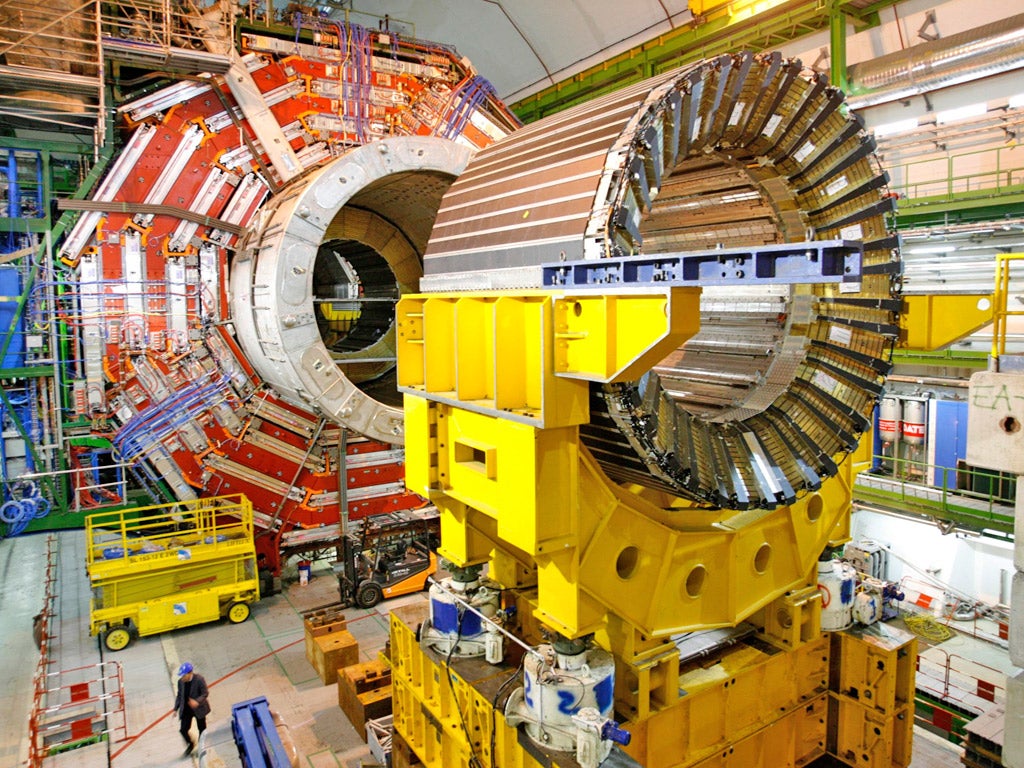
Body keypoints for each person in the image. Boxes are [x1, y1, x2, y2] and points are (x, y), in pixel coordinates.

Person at [174, 662, 210, 756]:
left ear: (190, 673)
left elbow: (205, 693)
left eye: (183, 675)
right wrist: (175, 708)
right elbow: (179, 695)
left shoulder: (199, 680)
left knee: (202, 729)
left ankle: (202, 748)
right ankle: (191, 744)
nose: (182, 678)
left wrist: (197, 701)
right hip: (187, 709)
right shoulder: (180, 682)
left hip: (198, 709)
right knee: (183, 729)